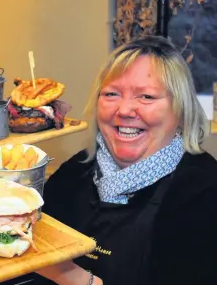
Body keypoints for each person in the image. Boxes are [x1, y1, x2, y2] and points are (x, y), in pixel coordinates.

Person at [20, 35, 217, 285]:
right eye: (112, 94)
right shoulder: (76, 171)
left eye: (146, 97)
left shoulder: (204, 192)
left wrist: (74, 278)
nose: (124, 110)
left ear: (180, 112)